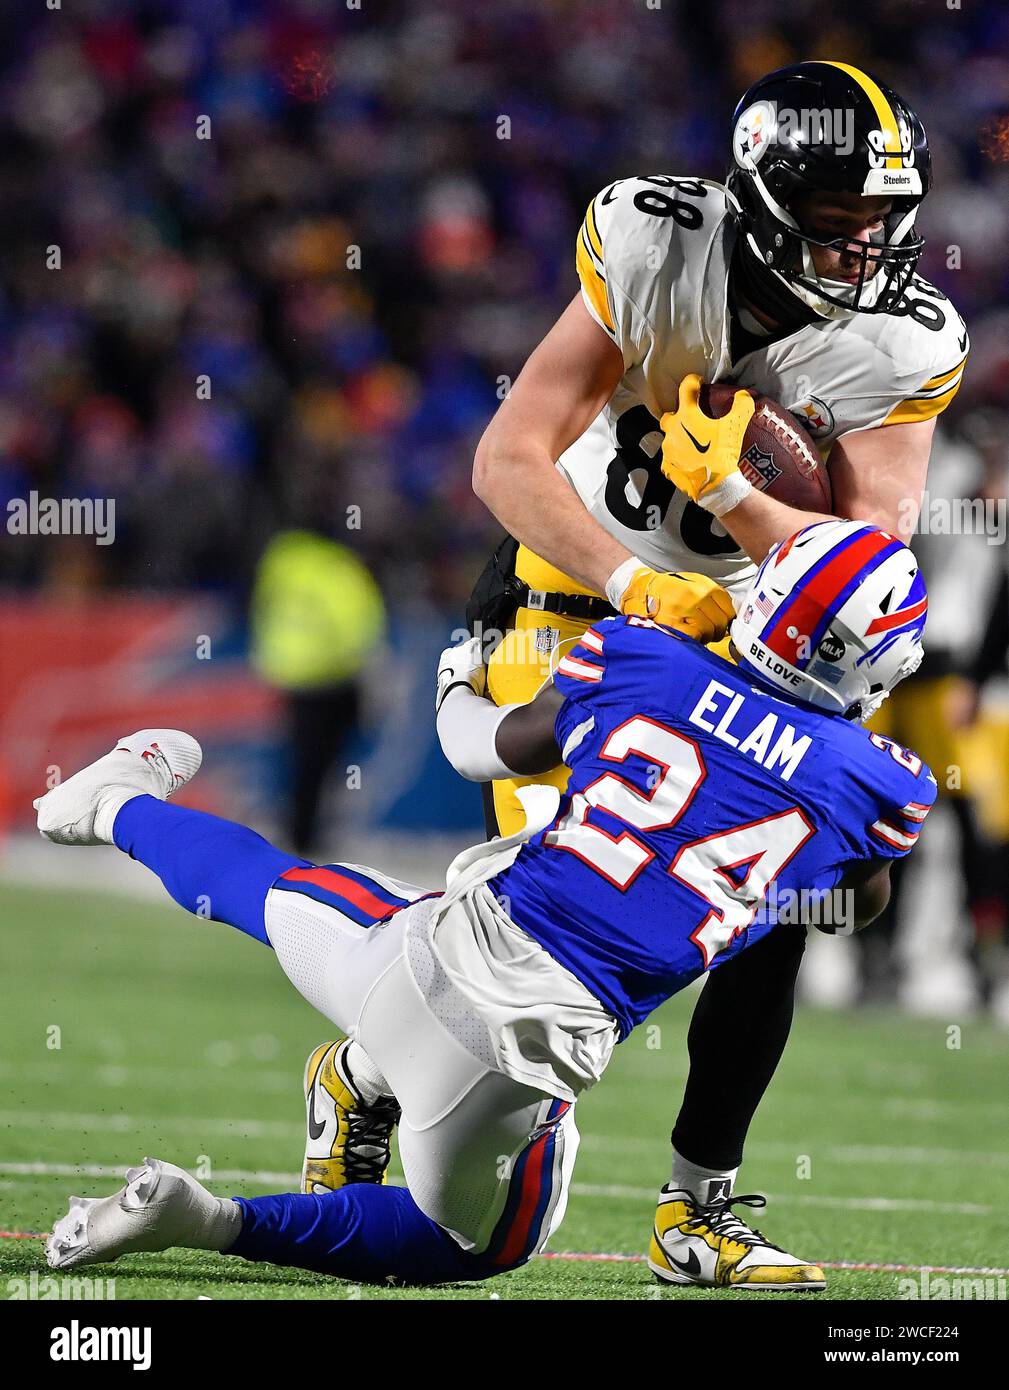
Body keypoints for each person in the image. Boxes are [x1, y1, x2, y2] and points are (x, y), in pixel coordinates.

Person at [39, 520, 935, 1289]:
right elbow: (854, 907)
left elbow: (480, 750)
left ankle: (117, 806)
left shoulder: (641, 655)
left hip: (416, 954)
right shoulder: (876, 782)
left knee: (265, 887)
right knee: (473, 1245)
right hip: (507, 1069)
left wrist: (456, 676)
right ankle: (205, 1218)